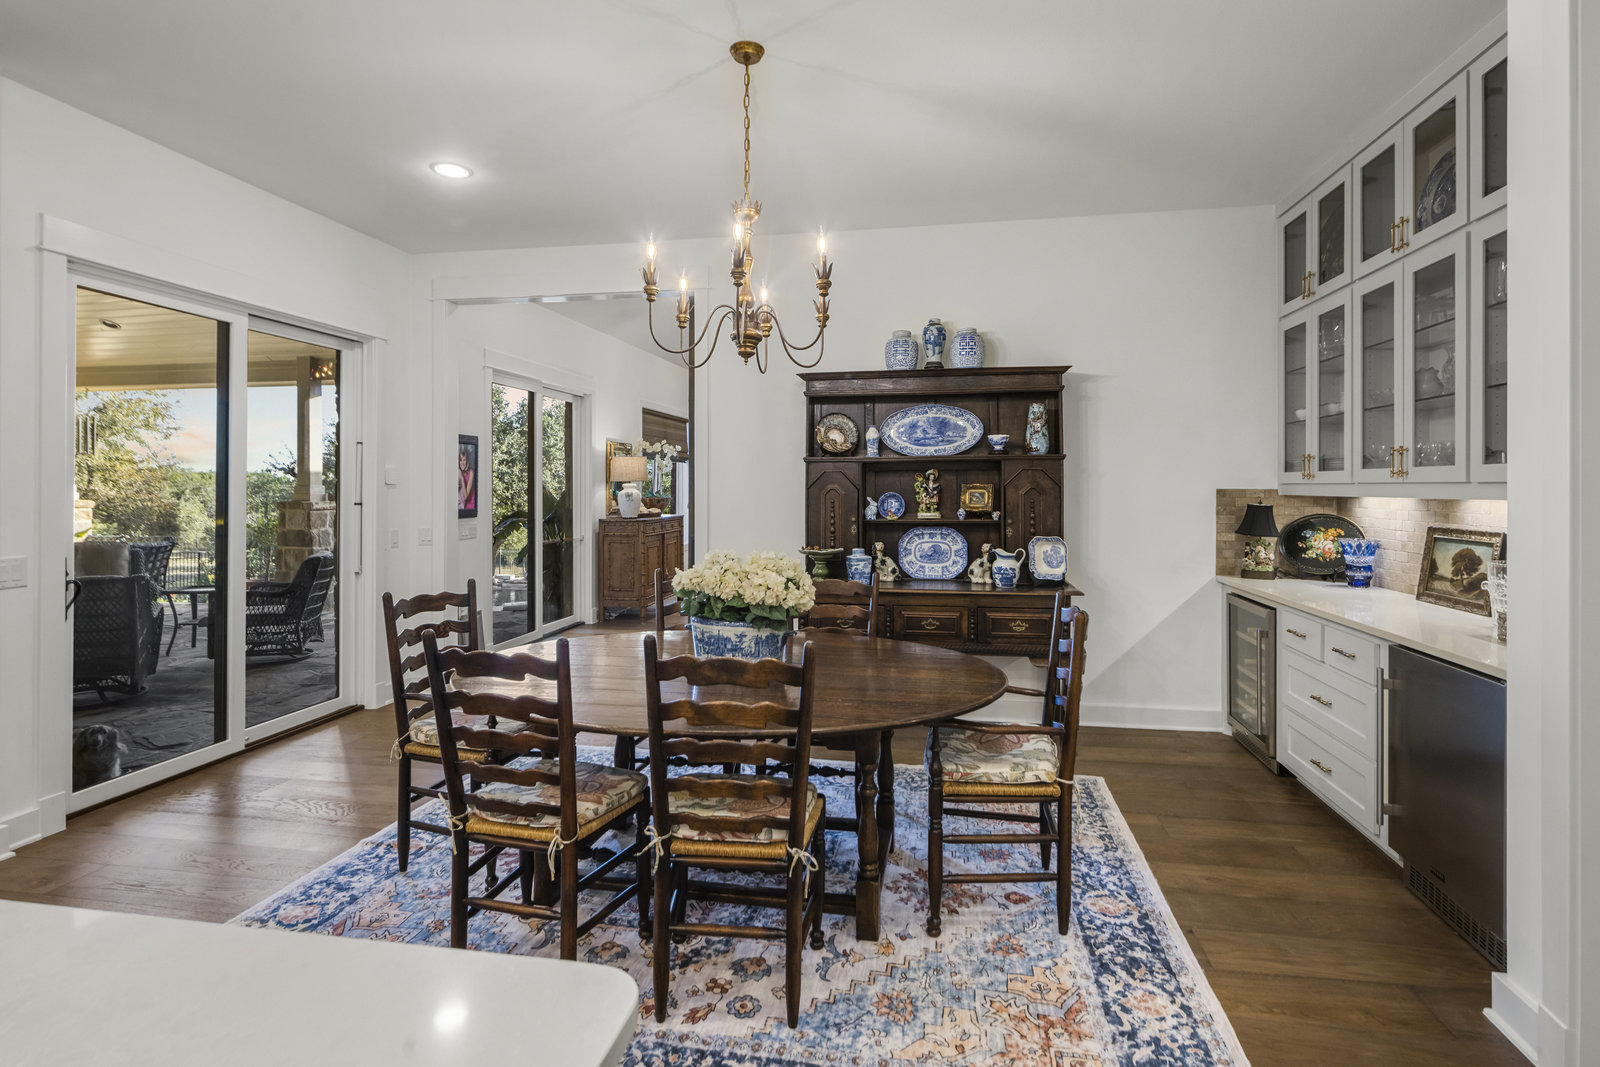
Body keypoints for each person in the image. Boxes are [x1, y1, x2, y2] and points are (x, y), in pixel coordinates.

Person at [458, 443, 476, 512]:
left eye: (464, 460)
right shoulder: (459, 472)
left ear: (467, 461)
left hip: (471, 506)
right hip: (462, 506)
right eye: (460, 460)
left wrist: (462, 478)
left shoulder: (471, 473)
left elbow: (466, 497)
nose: (462, 463)